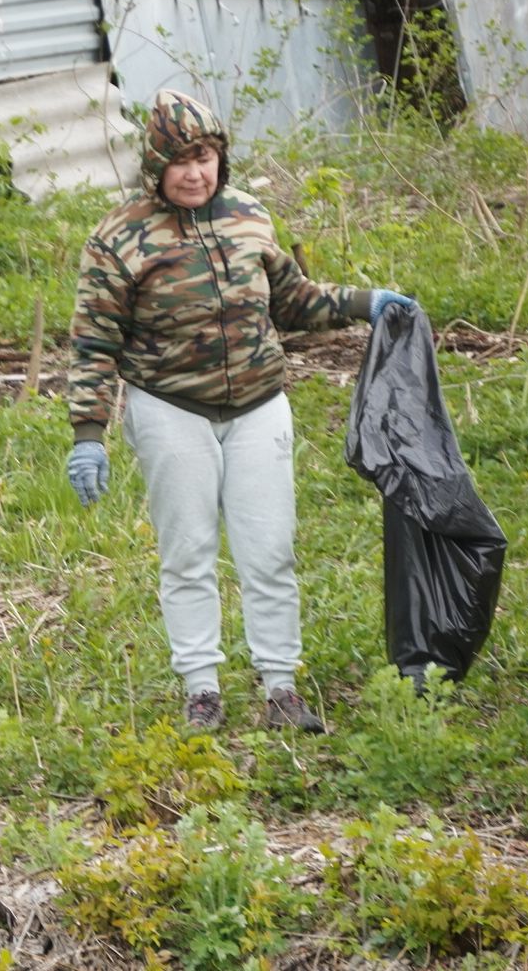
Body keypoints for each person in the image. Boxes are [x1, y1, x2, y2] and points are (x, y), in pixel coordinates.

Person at [65, 89, 414, 734]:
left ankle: (281, 687)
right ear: (156, 167)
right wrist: (89, 433)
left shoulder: (250, 217)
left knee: (269, 550)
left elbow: (293, 300)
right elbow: (93, 341)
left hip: (259, 405)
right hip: (171, 408)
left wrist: (368, 302)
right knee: (189, 550)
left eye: (206, 157)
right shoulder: (119, 237)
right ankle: (202, 689)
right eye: (181, 161)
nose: (196, 173)